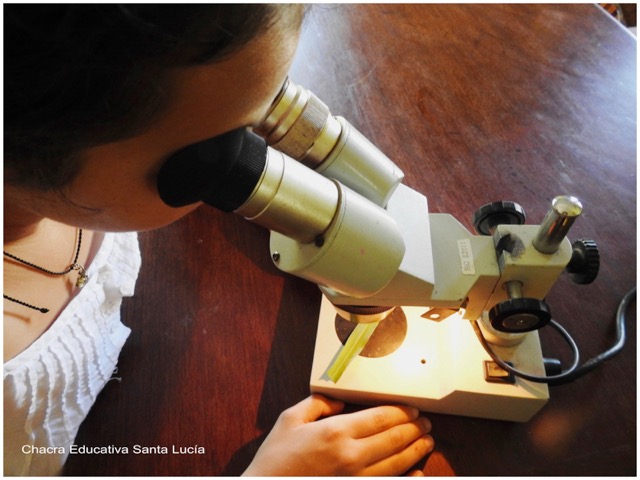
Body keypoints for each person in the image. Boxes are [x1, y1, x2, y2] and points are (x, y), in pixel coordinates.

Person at [4, 5, 435, 476]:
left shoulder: (83, 176)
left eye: (271, 108)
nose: (259, 148)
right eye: (230, 148)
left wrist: (313, 215)